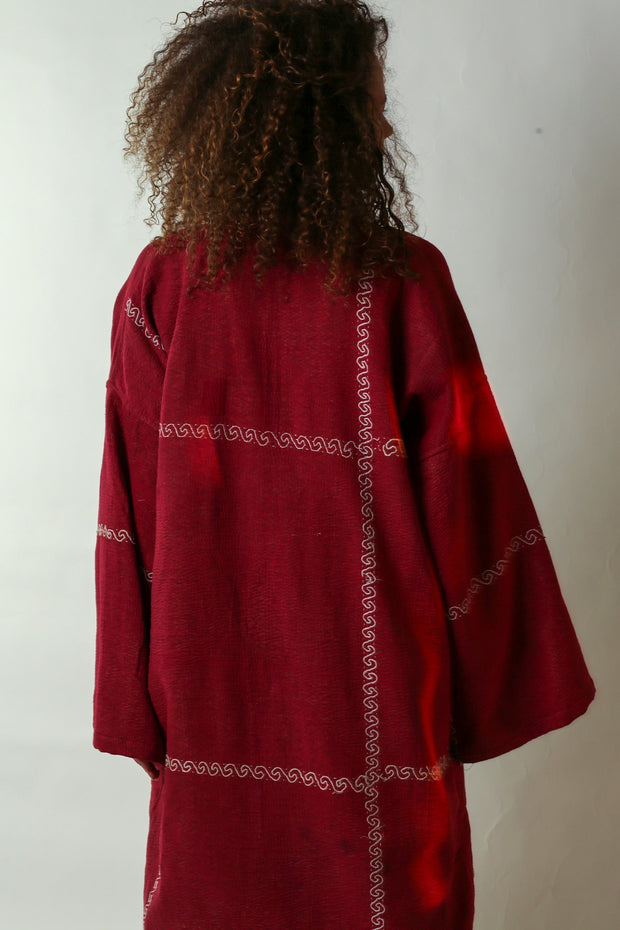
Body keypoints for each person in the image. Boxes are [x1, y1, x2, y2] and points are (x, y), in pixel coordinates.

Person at [93, 2, 596, 928]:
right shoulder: (402, 285)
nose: (388, 127)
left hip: (211, 707)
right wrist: (496, 683)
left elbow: (129, 525)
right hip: (377, 713)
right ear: (327, 122)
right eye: (374, 104)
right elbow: (468, 504)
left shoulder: (161, 287)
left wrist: (135, 701)